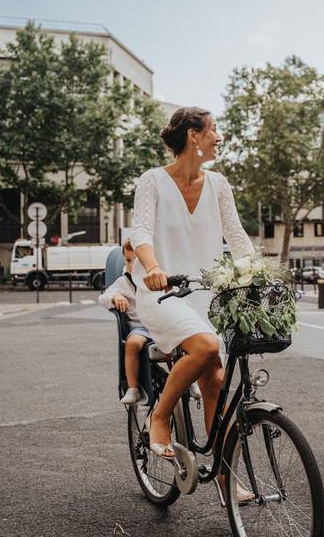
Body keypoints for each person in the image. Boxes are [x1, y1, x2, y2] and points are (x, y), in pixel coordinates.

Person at [131, 107, 254, 460]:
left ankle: (224, 479)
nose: (219, 136)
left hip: (206, 295)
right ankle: (160, 415)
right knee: (206, 346)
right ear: (193, 135)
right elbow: (140, 230)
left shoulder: (218, 184)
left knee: (215, 382)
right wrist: (152, 267)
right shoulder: (152, 180)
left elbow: (237, 235)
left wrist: (255, 270)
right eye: (214, 129)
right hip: (163, 294)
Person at [98, 240, 150, 405]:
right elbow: (103, 297)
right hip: (139, 327)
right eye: (128, 260)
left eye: (137, 260)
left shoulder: (154, 278)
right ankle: (133, 388)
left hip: (160, 324)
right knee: (133, 343)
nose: (131, 265)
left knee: (183, 338)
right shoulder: (123, 282)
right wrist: (116, 297)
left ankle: (189, 382)